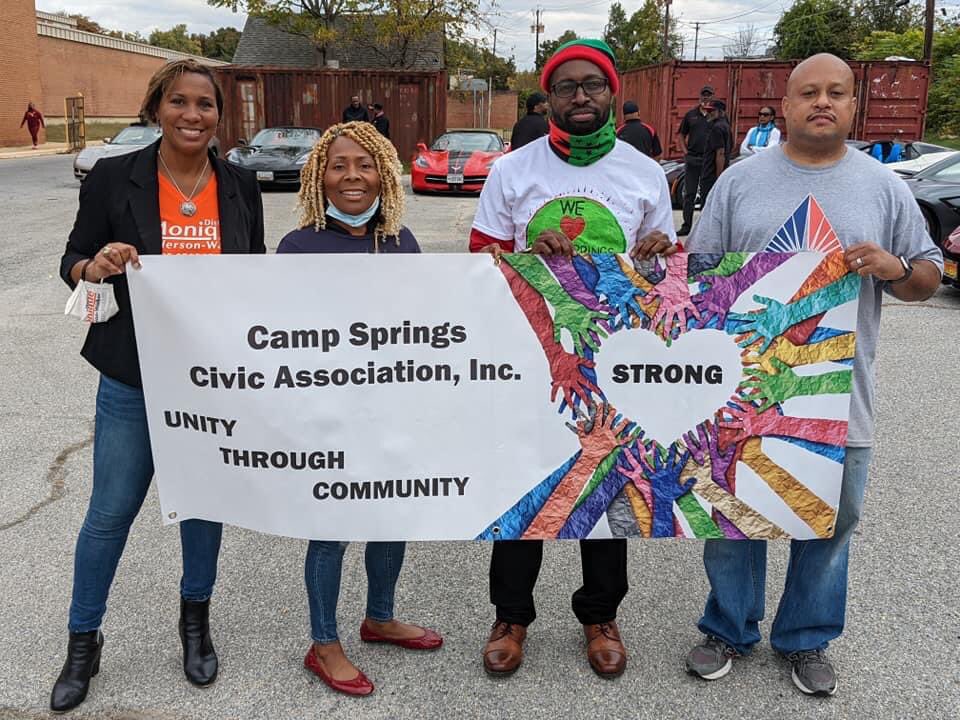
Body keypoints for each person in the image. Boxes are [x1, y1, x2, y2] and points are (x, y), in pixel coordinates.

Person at [683, 53, 943, 697]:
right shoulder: (740, 182)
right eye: (808, 93)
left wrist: (893, 267)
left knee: (830, 521)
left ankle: (806, 638)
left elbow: (928, 277)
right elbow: (699, 276)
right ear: (785, 106)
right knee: (735, 514)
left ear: (854, 106)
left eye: (836, 93)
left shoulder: (884, 187)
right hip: (741, 392)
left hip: (840, 396)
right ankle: (729, 627)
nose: (821, 103)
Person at [52, 59, 265, 713]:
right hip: (134, 376)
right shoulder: (117, 177)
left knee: (201, 508)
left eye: (206, 104)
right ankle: (83, 642)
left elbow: (253, 278)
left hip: (210, 383)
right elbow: (72, 261)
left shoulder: (240, 185)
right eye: (179, 101)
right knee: (110, 514)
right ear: (156, 109)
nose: (193, 115)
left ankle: (194, 623)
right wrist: (97, 264)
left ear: (218, 116)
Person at [469, 38, 677, 680]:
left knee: (608, 479)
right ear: (548, 98)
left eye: (592, 84)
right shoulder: (513, 170)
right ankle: (511, 615)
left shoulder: (644, 172)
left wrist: (658, 256)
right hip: (535, 349)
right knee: (524, 481)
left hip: (616, 355)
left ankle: (599, 614)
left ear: (612, 93)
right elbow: (481, 258)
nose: (580, 95)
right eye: (567, 86)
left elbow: (666, 268)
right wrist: (530, 247)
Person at [277, 122, 442, 697]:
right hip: (327, 414)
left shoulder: (402, 242)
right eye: (339, 164)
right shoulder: (298, 247)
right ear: (319, 174)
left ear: (384, 175)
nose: (352, 176)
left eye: (365, 164)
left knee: (388, 516)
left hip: (390, 408)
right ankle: (323, 643)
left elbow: (427, 328)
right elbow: (277, 338)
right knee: (332, 528)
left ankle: (379, 617)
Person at [677, 85, 715, 236]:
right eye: (703, 95)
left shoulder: (717, 115)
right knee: (689, 194)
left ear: (713, 97)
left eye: (709, 95)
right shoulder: (691, 115)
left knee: (708, 194)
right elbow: (681, 134)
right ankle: (686, 226)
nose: (706, 98)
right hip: (693, 158)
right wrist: (685, 152)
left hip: (709, 160)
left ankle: (704, 228)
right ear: (700, 97)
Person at [698, 99, 732, 205]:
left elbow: (720, 153)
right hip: (716, 174)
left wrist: (719, 178)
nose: (709, 113)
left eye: (712, 111)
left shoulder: (717, 128)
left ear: (721, 112)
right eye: (708, 111)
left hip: (711, 175)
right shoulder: (726, 126)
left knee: (707, 206)